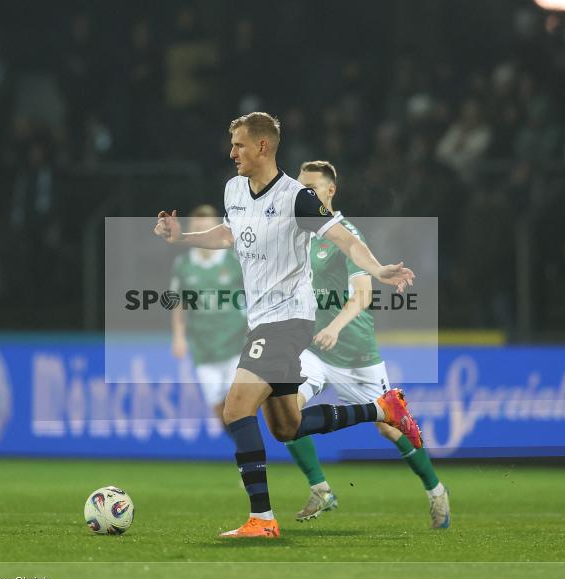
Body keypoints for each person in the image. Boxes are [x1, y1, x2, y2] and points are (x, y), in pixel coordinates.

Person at [154, 112, 419, 539]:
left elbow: (343, 238)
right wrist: (181, 238)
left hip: (288, 319)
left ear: (262, 146)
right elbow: (228, 235)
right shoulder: (233, 189)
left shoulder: (296, 198)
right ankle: (382, 408)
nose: (231, 152)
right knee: (286, 427)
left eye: (239, 144)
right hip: (262, 319)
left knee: (236, 407)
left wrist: (379, 269)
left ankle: (262, 519)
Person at [286, 160, 450, 528]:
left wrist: (336, 328)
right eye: (299, 189)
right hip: (313, 350)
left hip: (355, 353)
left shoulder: (345, 234)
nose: (302, 195)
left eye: (310, 188)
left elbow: (362, 296)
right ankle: (322, 490)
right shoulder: (303, 234)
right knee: (285, 412)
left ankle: (436, 489)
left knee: (390, 427)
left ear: (330, 191)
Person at [170, 204, 246, 429]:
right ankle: (244, 449)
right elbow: (178, 303)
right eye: (197, 228)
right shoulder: (183, 264)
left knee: (239, 402)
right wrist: (179, 336)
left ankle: (251, 453)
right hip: (203, 347)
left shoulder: (234, 260)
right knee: (218, 408)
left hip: (236, 342)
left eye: (207, 228)